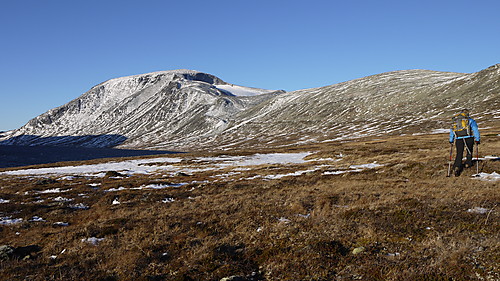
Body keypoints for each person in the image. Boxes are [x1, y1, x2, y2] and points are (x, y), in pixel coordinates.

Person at [449, 109, 480, 176]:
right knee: (469, 150)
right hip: (469, 138)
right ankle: (468, 163)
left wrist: (451, 140)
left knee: (459, 153)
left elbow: (452, 131)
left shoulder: (456, 121)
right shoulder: (470, 120)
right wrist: (477, 139)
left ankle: (457, 166)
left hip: (458, 139)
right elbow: (475, 129)